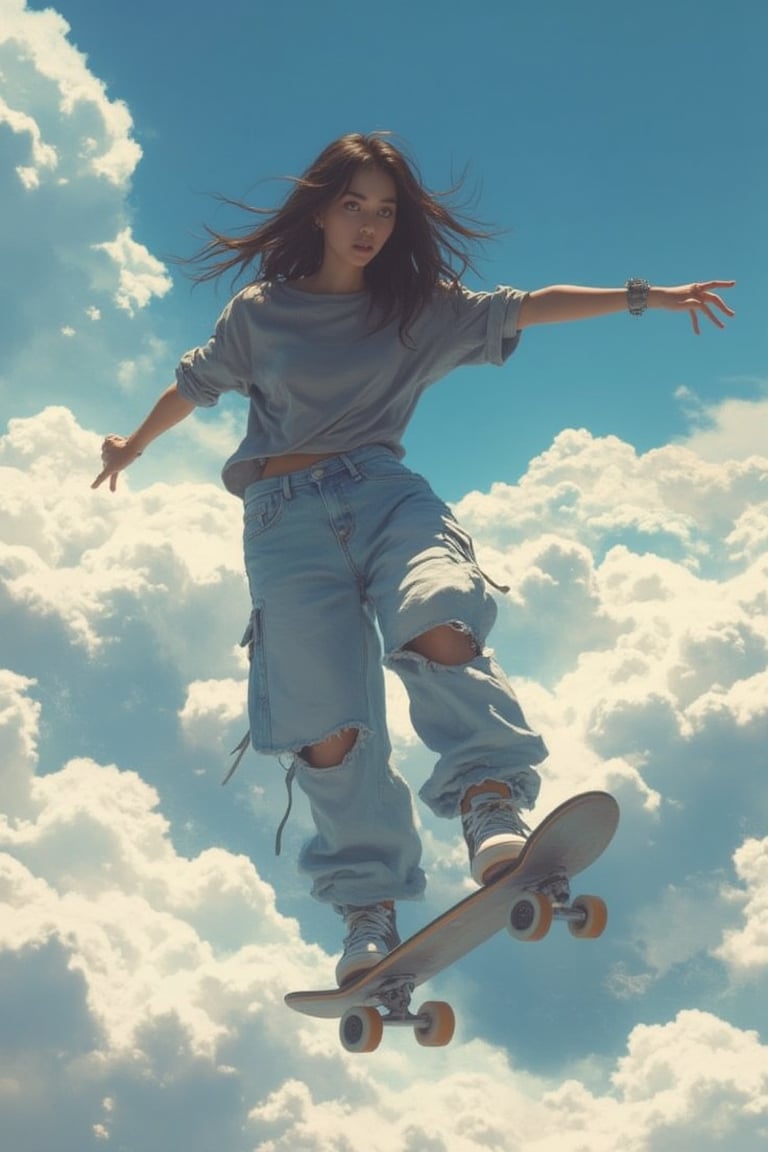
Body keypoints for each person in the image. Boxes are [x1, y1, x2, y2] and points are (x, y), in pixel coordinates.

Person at [92, 132, 735, 986]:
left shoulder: (417, 309)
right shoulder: (259, 314)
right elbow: (195, 381)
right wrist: (131, 446)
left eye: (385, 211)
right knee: (325, 729)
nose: (369, 225)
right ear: (321, 210)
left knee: (437, 617)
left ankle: (488, 799)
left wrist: (644, 296)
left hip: (385, 495)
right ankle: (368, 910)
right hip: (282, 525)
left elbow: (523, 305)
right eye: (353, 206)